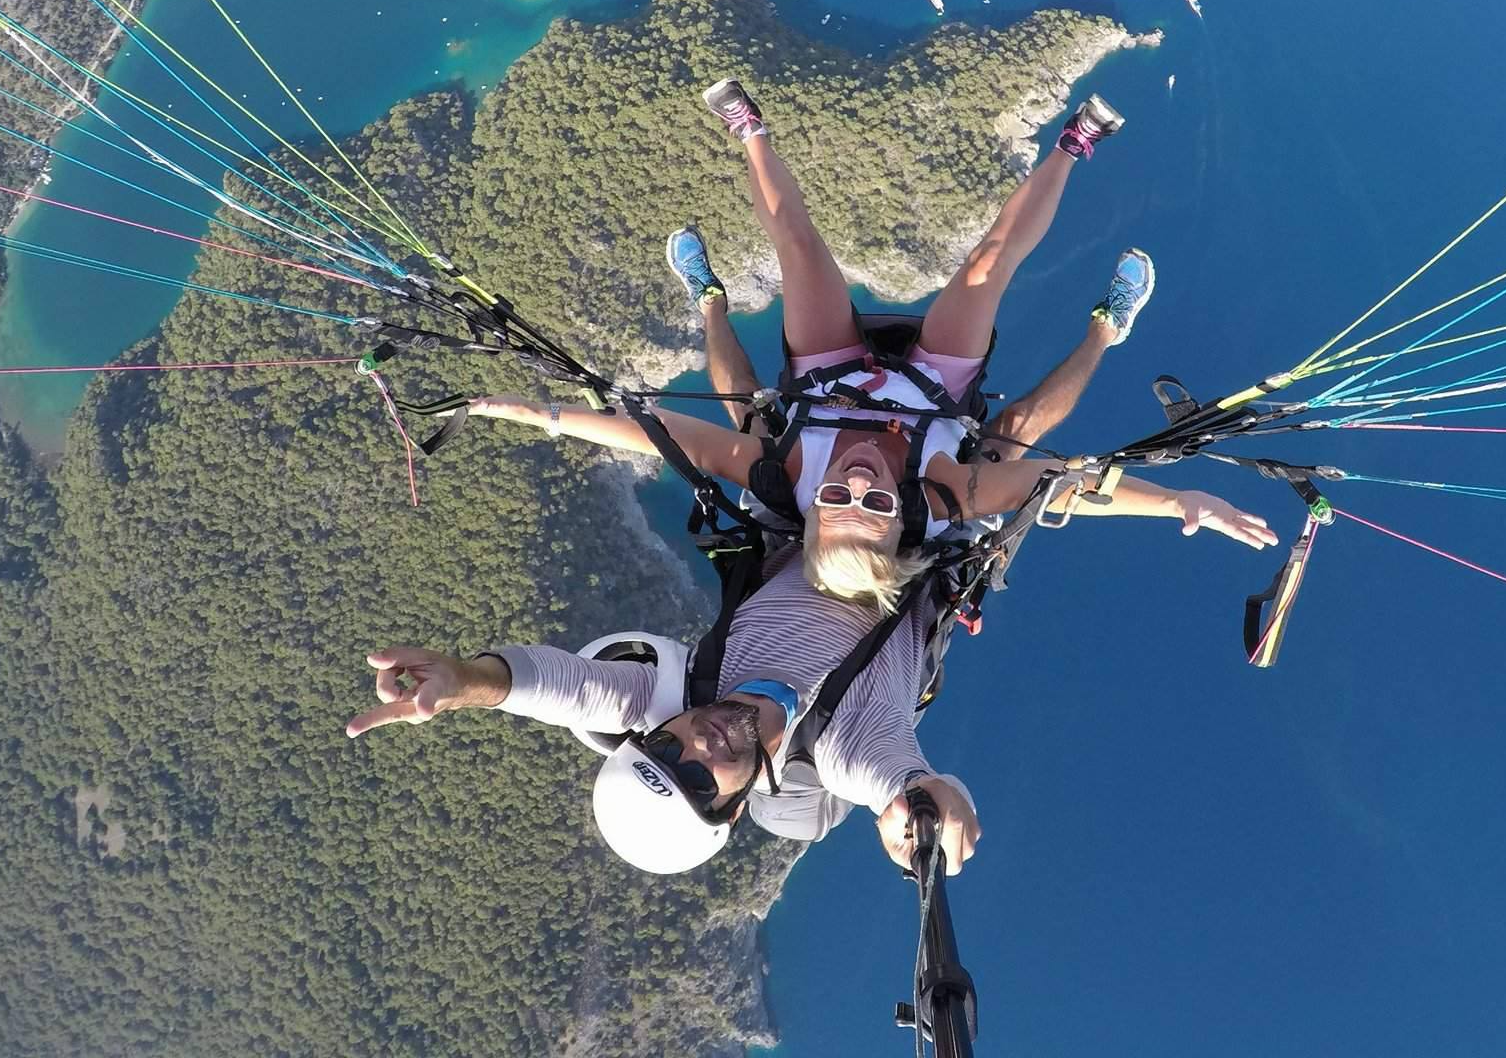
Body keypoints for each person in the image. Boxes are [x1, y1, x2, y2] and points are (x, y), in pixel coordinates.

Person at [348, 81, 1278, 878]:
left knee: (776, 327)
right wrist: (924, 813)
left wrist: (468, 679)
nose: (694, 745)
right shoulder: (846, 745)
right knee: (1016, 420)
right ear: (732, 809)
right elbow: (1068, 494)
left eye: (665, 750)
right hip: (933, 437)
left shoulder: (701, 656)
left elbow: (564, 671)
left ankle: (734, 194)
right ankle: (1100, 299)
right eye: (700, 778)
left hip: (831, 406)